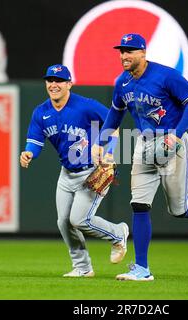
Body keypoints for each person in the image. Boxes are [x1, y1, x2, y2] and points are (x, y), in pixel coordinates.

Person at [92, 33, 188, 281]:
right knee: (138, 204)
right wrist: (100, 142)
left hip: (173, 145)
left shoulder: (165, 75)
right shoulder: (122, 83)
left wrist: (177, 134)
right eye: (121, 51)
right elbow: (114, 115)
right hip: (144, 145)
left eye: (129, 51)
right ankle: (142, 268)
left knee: (178, 209)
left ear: (143, 53)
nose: (124, 56)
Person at [20, 64, 129, 278]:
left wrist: (110, 152)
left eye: (59, 81)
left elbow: (114, 125)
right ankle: (83, 267)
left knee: (79, 220)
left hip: (92, 171)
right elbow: (35, 141)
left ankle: (118, 233)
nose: (54, 85)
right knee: (63, 222)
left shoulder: (85, 106)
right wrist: (28, 153)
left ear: (69, 83)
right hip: (67, 173)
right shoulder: (41, 112)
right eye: (50, 80)